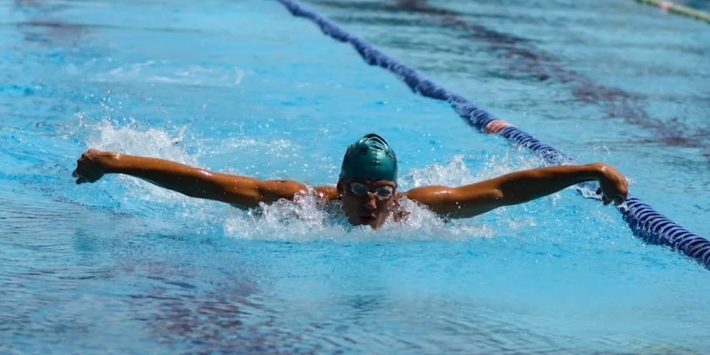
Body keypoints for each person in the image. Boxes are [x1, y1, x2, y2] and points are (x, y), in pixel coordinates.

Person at [73, 133, 629, 229]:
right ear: (341, 189)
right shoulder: (299, 206)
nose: (371, 203)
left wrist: (590, 168)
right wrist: (117, 162)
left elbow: (507, 189)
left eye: (382, 192)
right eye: (359, 191)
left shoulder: (418, 210)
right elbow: (208, 183)